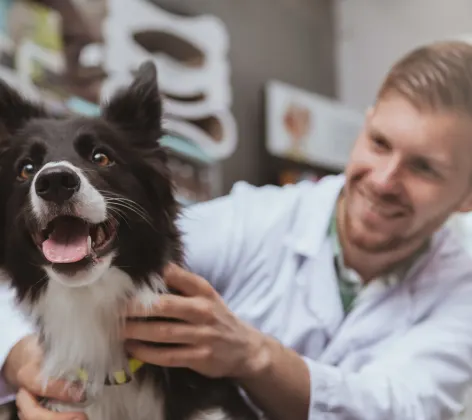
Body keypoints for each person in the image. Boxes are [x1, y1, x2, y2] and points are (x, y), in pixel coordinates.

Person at [3, 40, 472, 420]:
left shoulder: (461, 294)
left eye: (424, 169)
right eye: (379, 142)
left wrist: (252, 355)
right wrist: (23, 357)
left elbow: (402, 409)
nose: (384, 179)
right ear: (365, 125)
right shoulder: (254, 219)